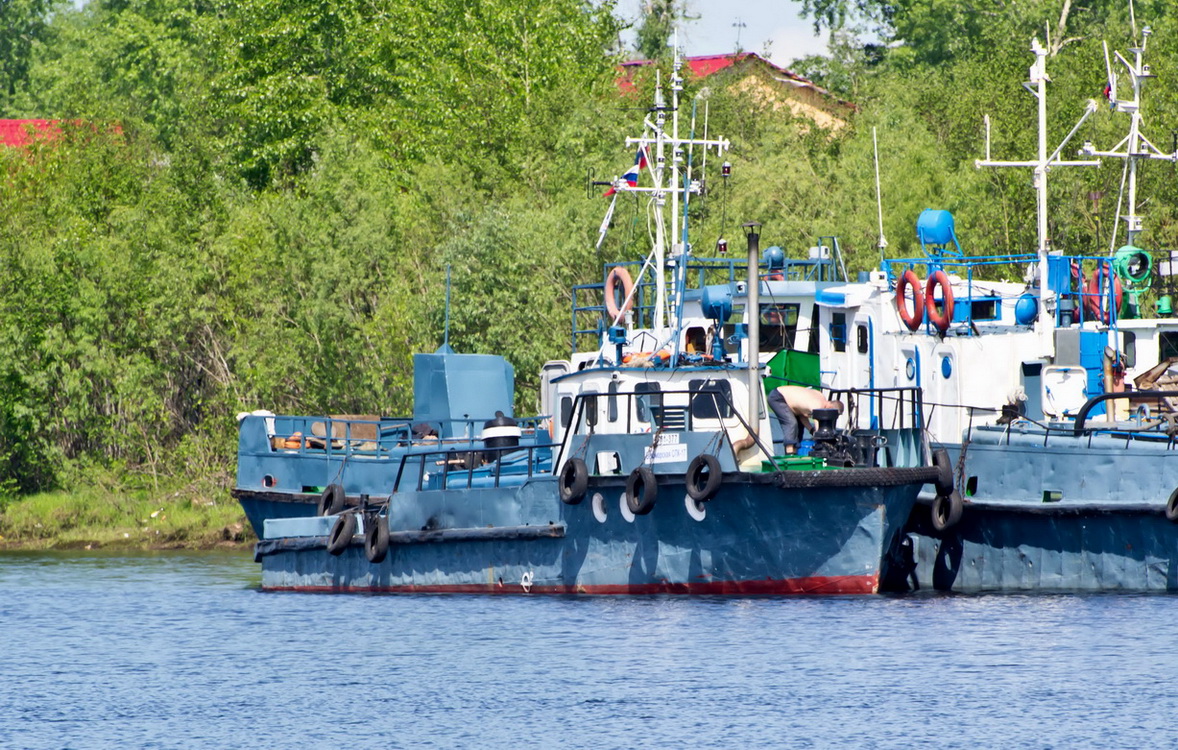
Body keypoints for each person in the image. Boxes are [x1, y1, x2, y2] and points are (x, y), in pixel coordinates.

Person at [767, 385, 844, 455]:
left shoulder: (821, 397)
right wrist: (820, 438)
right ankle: (789, 455)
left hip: (790, 402)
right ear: (830, 408)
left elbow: (802, 416)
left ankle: (795, 453)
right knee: (791, 423)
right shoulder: (817, 405)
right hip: (778, 397)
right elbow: (818, 428)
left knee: (799, 425)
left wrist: (811, 430)